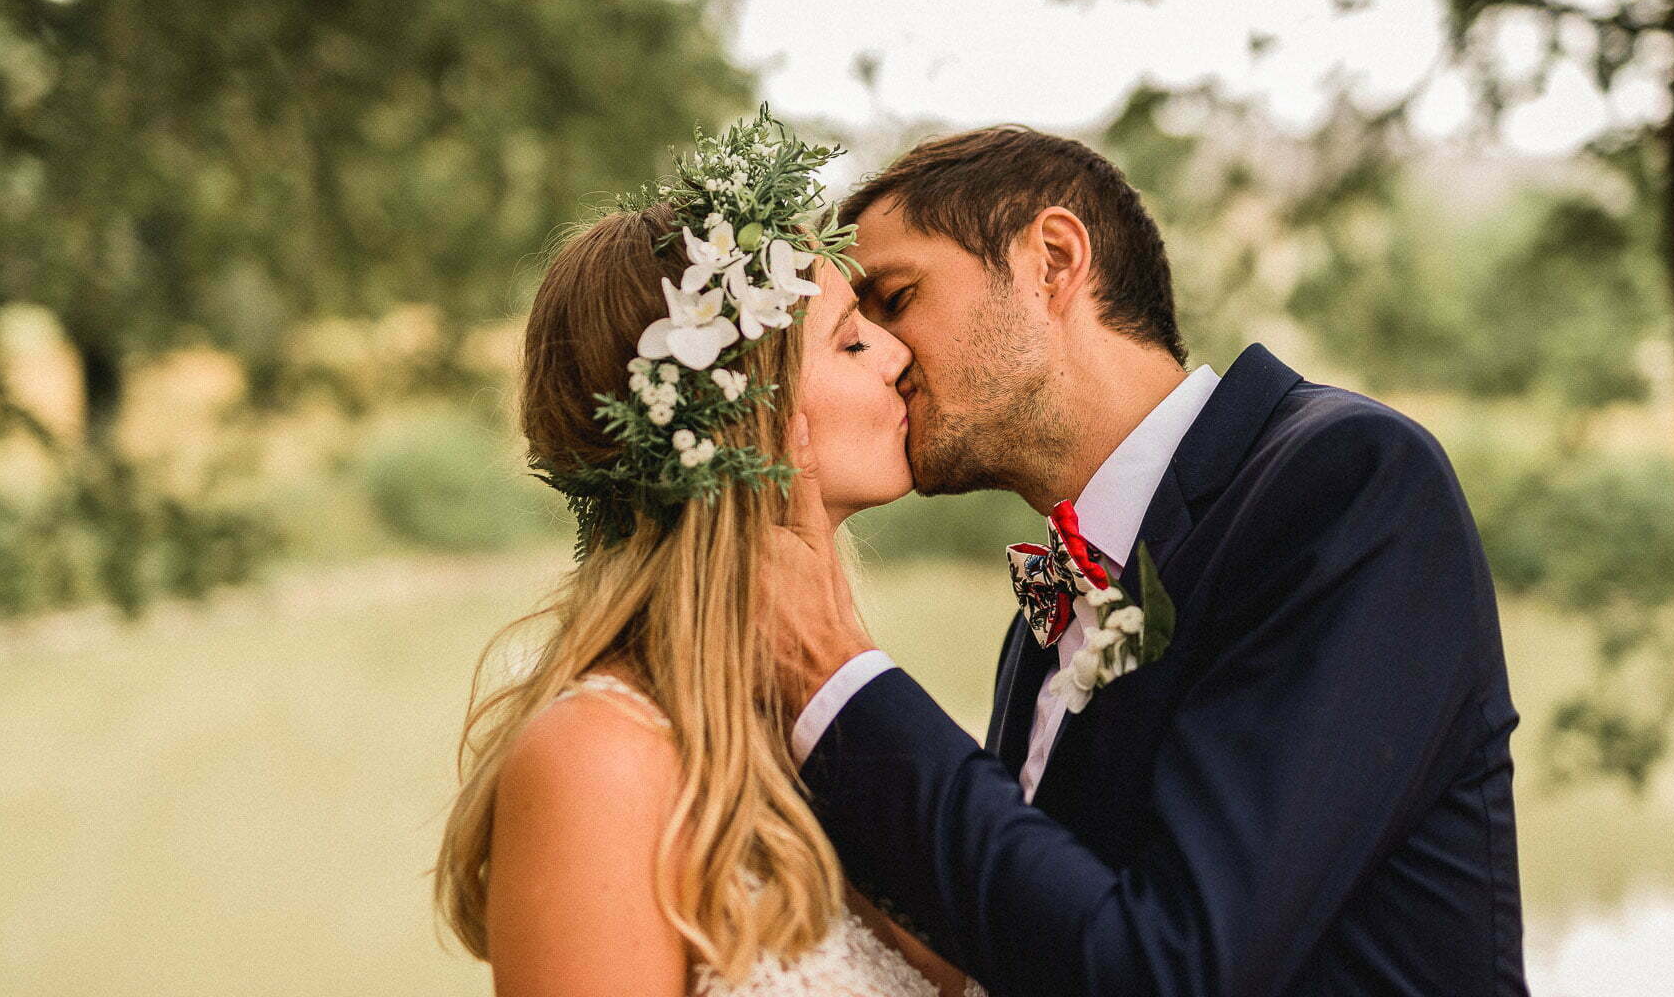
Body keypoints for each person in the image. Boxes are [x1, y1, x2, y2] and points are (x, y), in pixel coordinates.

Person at [773, 126, 1530, 996]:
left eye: (897, 298)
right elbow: (1035, 943)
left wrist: (837, 675)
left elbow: (1172, 970)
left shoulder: (1347, 483)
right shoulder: (1051, 607)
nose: (887, 354)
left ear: (1053, 261)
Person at [434, 111, 983, 997]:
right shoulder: (599, 760)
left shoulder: (818, 716)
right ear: (744, 418)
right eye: (850, 338)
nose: (897, 352)